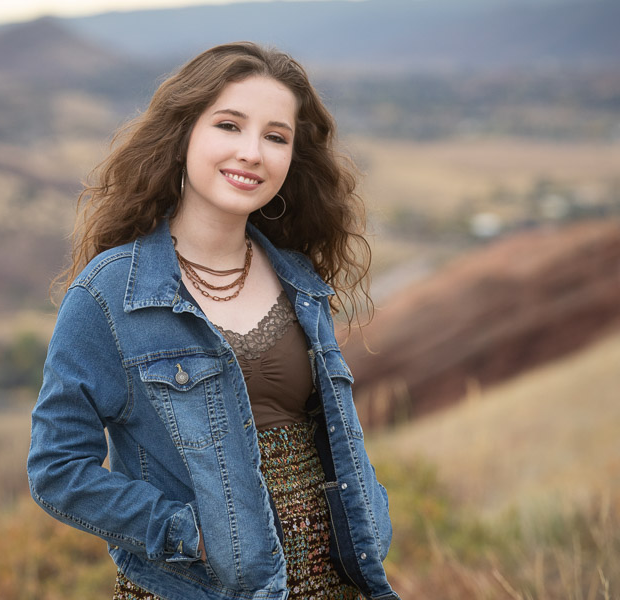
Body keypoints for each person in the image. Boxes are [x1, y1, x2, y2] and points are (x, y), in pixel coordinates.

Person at [27, 42, 399, 600]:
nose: (252, 152)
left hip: (335, 585)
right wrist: (193, 534)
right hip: (198, 588)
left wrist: (371, 504)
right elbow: (58, 470)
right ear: (184, 136)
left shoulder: (298, 279)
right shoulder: (108, 294)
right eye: (229, 125)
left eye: (276, 136)